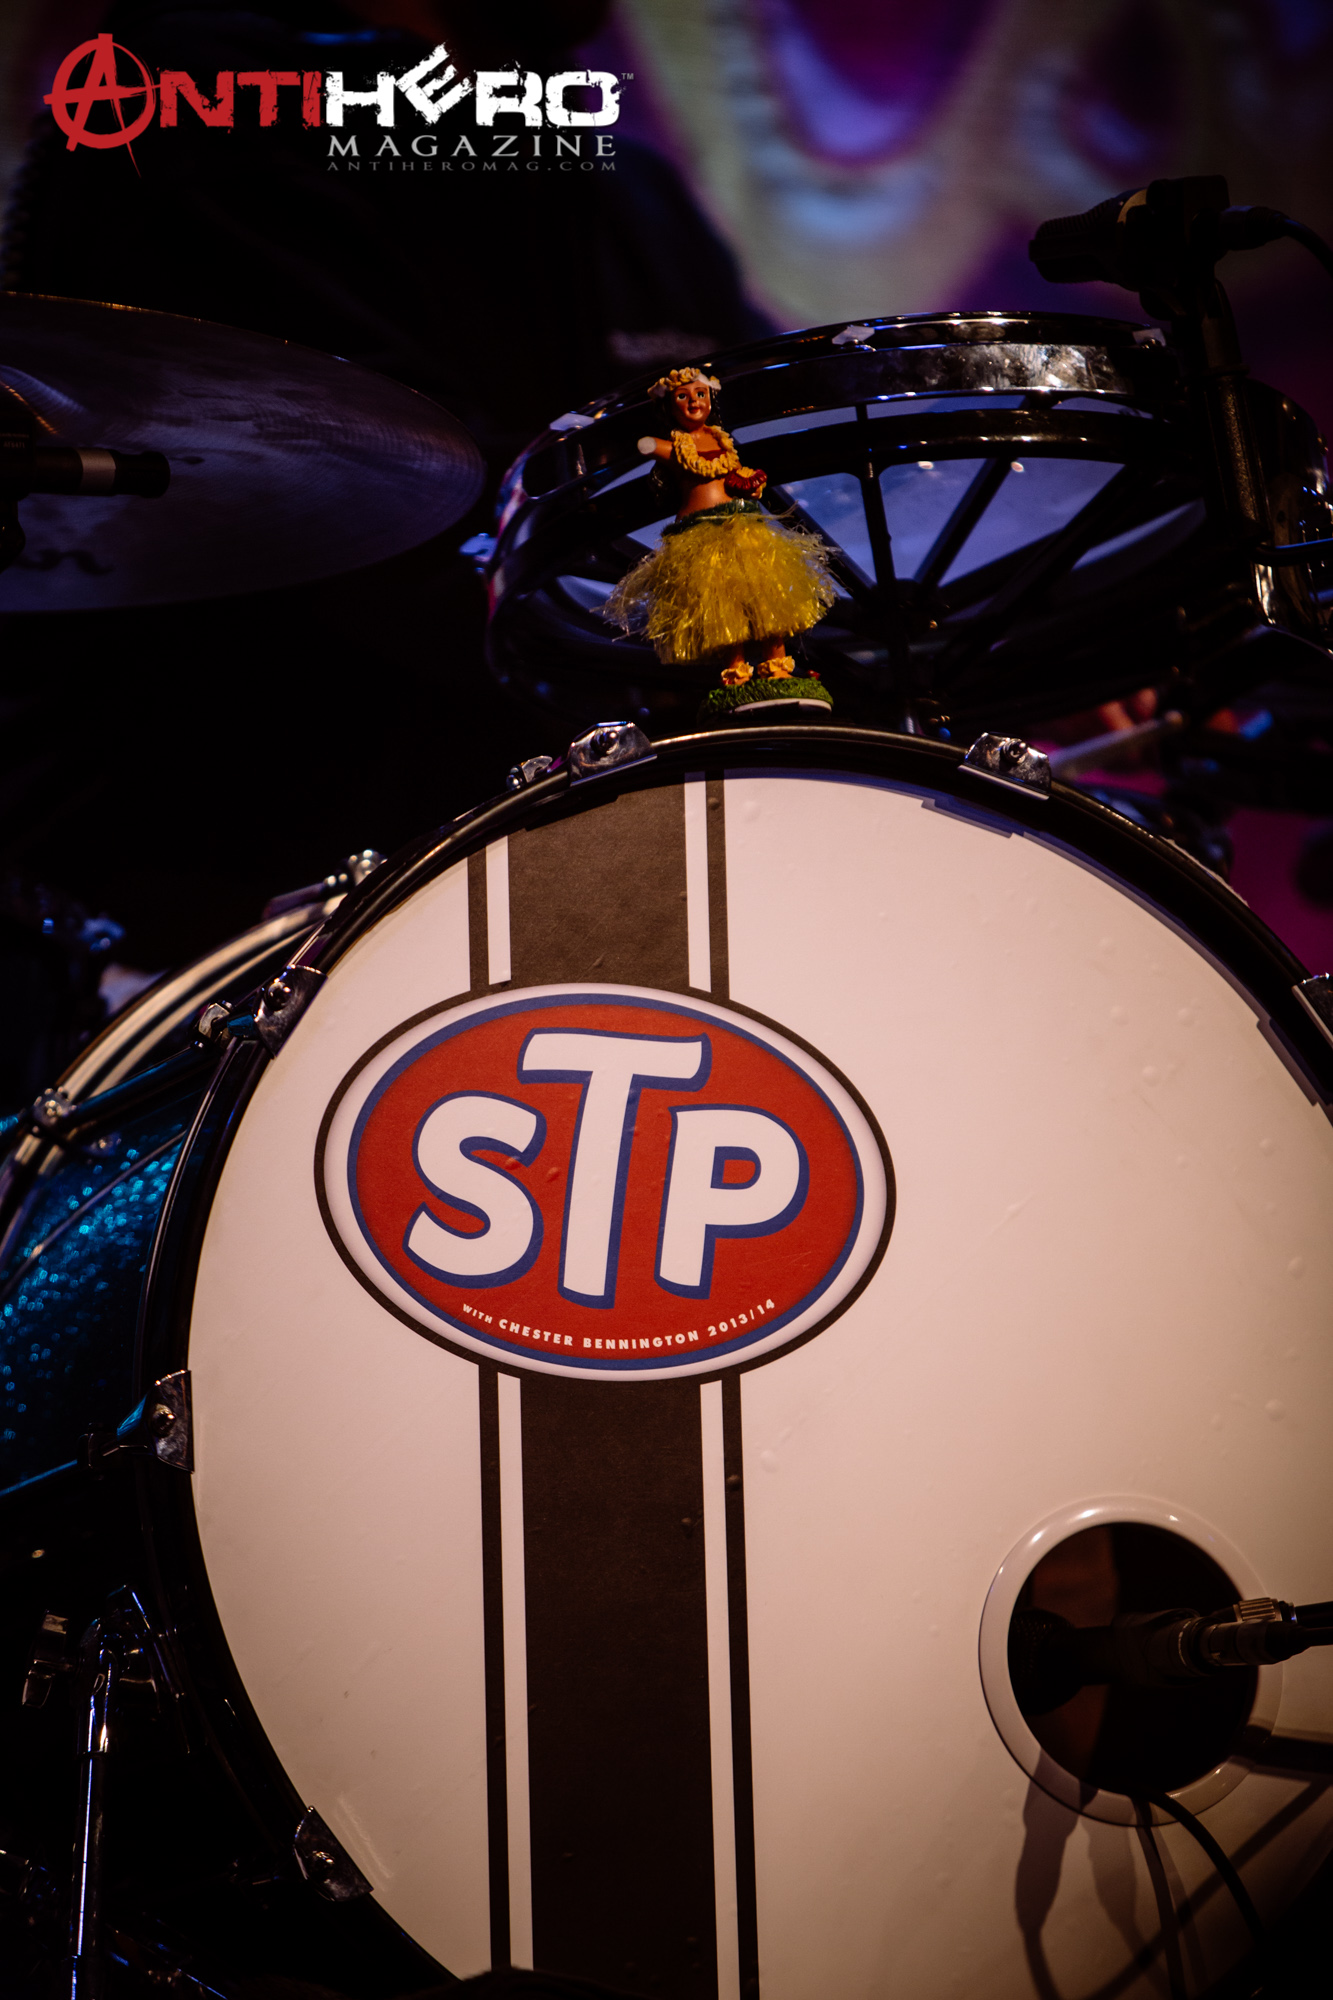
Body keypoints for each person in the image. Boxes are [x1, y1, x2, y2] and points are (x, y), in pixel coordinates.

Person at [603, 365, 835, 718]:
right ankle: (736, 675)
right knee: (724, 610)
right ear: (669, 406)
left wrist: (747, 482)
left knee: (767, 601)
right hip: (700, 534)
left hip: (742, 526)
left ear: (711, 399)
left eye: (700, 394)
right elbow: (648, 447)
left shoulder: (721, 440)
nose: (694, 402)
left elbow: (731, 476)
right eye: (683, 396)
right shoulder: (671, 447)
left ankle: (778, 667)